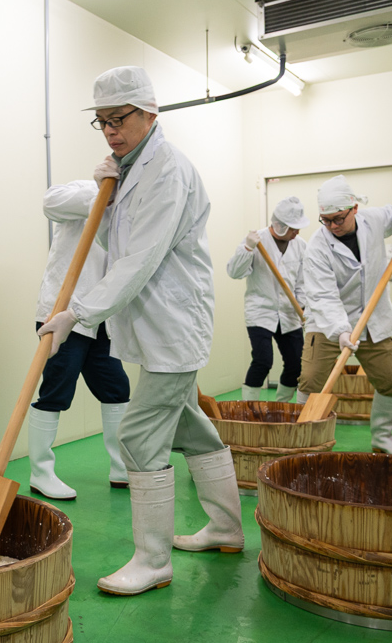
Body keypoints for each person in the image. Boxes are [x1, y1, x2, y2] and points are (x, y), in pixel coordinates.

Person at [39, 66, 243, 597]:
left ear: (151, 113)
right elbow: (112, 239)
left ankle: (153, 561)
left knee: (139, 434)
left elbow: (142, 258)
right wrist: (109, 187)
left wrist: (78, 313)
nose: (110, 130)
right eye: (102, 122)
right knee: (189, 425)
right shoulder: (132, 169)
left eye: (119, 118)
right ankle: (225, 526)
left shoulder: (167, 169)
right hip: (154, 322)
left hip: (174, 322)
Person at [298, 175, 392, 455]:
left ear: (354, 208)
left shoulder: (372, 220)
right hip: (328, 323)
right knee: (312, 380)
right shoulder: (317, 246)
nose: (332, 226)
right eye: (325, 220)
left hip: (373, 319)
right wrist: (341, 330)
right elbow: (323, 295)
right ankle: (304, 441)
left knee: (391, 379)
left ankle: (382, 437)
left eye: (338, 219)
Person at [28, 180, 131, 499]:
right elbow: (50, 203)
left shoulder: (130, 207)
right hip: (62, 313)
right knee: (56, 390)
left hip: (101, 316)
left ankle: (122, 468)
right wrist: (102, 192)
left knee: (116, 388)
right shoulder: (84, 190)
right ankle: (40, 473)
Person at [227, 196, 309, 403]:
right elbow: (235, 272)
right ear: (280, 226)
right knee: (263, 361)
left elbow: (302, 281)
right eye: (293, 228)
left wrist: (303, 306)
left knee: (296, 364)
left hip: (290, 314)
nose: (297, 232)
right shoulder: (257, 241)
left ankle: (281, 406)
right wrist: (246, 249)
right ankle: (248, 409)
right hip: (261, 311)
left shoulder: (300, 245)